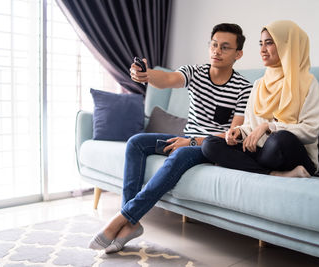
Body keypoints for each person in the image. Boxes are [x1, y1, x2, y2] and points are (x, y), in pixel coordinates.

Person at [88, 23, 253, 253]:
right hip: (187, 139)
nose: (217, 51)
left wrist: (192, 141)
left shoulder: (244, 88)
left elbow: (231, 136)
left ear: (238, 54)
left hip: (209, 147)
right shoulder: (195, 72)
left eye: (225, 47)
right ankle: (132, 224)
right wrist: (146, 75)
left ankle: (121, 218)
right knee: (137, 142)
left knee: (183, 151)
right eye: (214, 45)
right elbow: (167, 79)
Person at [201, 20, 319, 178]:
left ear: (287, 45)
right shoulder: (259, 84)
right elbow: (250, 127)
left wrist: (269, 127)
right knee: (210, 145)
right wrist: (238, 132)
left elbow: (311, 131)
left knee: (279, 139)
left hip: (289, 153)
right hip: (261, 153)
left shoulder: (308, 83)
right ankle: (275, 174)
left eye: (269, 43)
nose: (262, 50)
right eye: (261, 44)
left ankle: (245, 166)